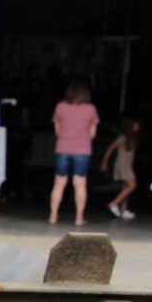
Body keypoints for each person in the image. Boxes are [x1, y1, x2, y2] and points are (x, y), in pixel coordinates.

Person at [49, 79, 99, 225]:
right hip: (82, 149)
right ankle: (79, 218)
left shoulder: (60, 107)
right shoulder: (90, 109)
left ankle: (53, 215)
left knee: (59, 183)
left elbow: (57, 130)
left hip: (63, 147)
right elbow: (92, 133)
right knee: (80, 183)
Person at [101, 118, 140, 219]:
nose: (138, 126)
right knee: (132, 185)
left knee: (125, 188)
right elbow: (110, 149)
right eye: (136, 125)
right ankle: (114, 203)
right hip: (122, 165)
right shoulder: (123, 138)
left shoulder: (131, 138)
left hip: (127, 165)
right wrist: (104, 163)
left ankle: (124, 210)